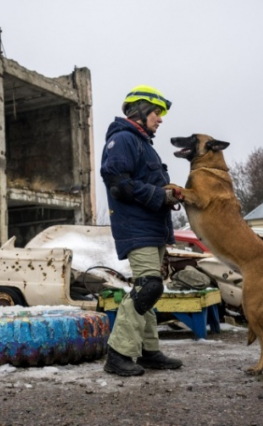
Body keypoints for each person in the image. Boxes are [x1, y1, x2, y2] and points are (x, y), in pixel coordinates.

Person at [100, 85, 184, 376]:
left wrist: (169, 192)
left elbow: (142, 183)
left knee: (148, 290)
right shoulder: (123, 139)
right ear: (140, 110)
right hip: (136, 228)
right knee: (148, 287)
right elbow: (117, 182)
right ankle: (118, 354)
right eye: (156, 113)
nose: (160, 119)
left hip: (152, 228)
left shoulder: (142, 143)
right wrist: (160, 196)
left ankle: (148, 351)